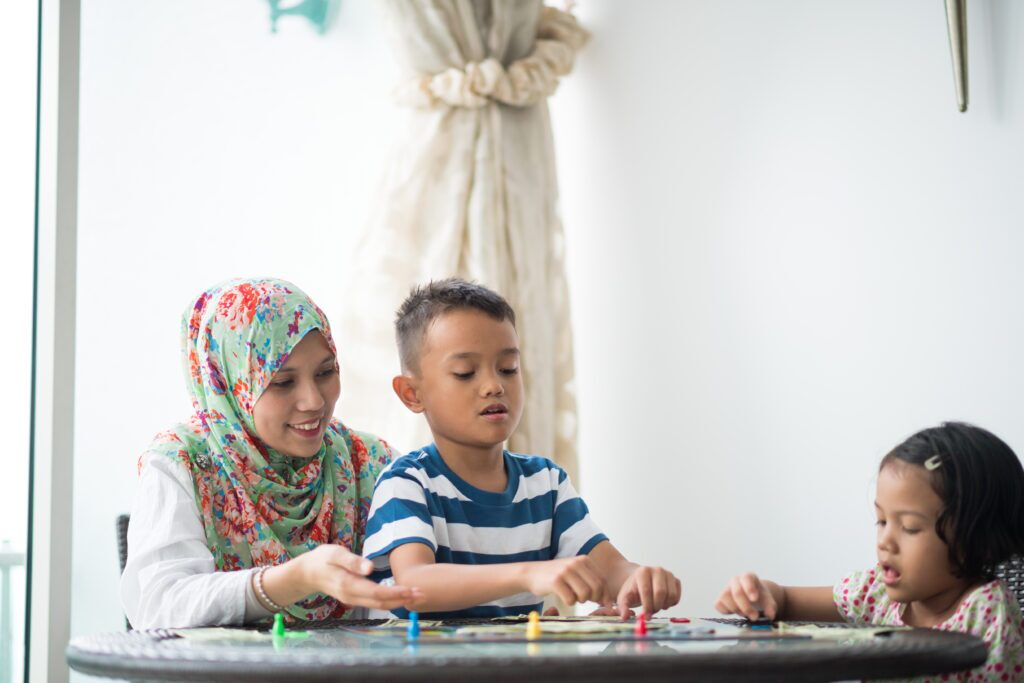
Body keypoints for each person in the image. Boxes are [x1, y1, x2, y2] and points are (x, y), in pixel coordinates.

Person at [362, 278, 681, 619]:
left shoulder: (546, 484)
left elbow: (610, 569)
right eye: (465, 373)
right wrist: (528, 572)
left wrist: (641, 580)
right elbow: (415, 587)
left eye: (508, 369)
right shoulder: (406, 483)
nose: (494, 385)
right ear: (413, 394)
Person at [121, 278, 422, 629]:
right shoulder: (183, 463)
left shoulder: (369, 461)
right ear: (230, 383)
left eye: (325, 372)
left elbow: (407, 607)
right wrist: (290, 581)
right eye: (281, 382)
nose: (314, 401)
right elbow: (158, 604)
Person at [715, 422, 1024, 681]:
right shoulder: (876, 594)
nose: (884, 541)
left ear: (980, 541)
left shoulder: (987, 612)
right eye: (882, 520)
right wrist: (759, 595)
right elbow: (786, 600)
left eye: (910, 527)